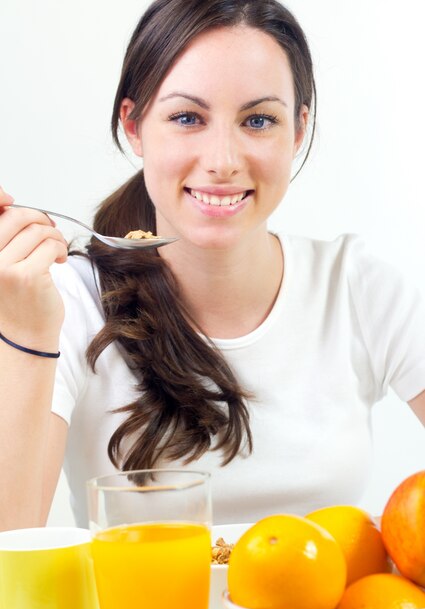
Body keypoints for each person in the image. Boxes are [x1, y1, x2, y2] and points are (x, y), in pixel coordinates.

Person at [0, 0, 424, 531]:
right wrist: (24, 331)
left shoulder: (357, 288)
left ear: (297, 130)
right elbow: (9, 554)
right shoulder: (68, 302)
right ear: (133, 126)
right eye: (186, 118)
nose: (223, 160)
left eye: (259, 120)